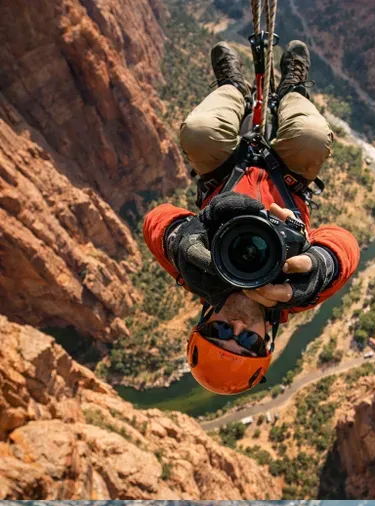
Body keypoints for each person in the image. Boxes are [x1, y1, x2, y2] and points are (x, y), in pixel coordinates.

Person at [143, 42, 360, 395]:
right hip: (287, 176)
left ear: (204, 322)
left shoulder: (199, 273)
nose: (238, 326)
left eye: (221, 333)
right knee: (312, 138)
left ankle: (234, 89)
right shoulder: (294, 293)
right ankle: (292, 91)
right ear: (267, 341)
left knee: (199, 132)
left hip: (225, 171)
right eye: (249, 342)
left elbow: (155, 219)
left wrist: (184, 238)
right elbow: (346, 245)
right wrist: (322, 264)